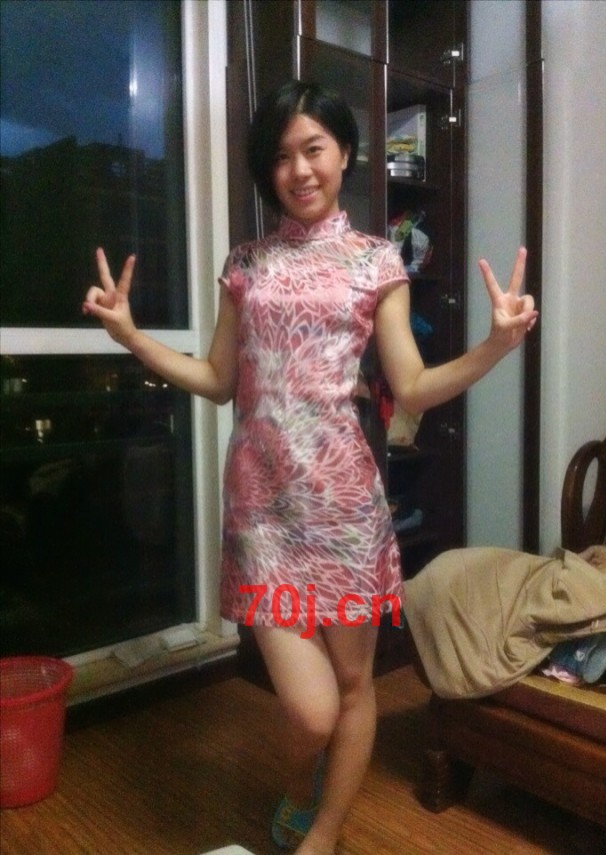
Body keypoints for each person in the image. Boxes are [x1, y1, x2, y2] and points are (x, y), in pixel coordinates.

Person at [83, 81, 538, 855]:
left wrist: (496, 345)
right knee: (310, 708)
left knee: (354, 687)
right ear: (268, 171)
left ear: (345, 153)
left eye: (314, 149)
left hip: (345, 512)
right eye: (282, 156)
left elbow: (412, 386)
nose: (299, 169)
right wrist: (131, 338)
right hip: (261, 513)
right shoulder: (246, 264)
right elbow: (218, 379)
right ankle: (300, 781)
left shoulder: (376, 260)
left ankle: (323, 829)